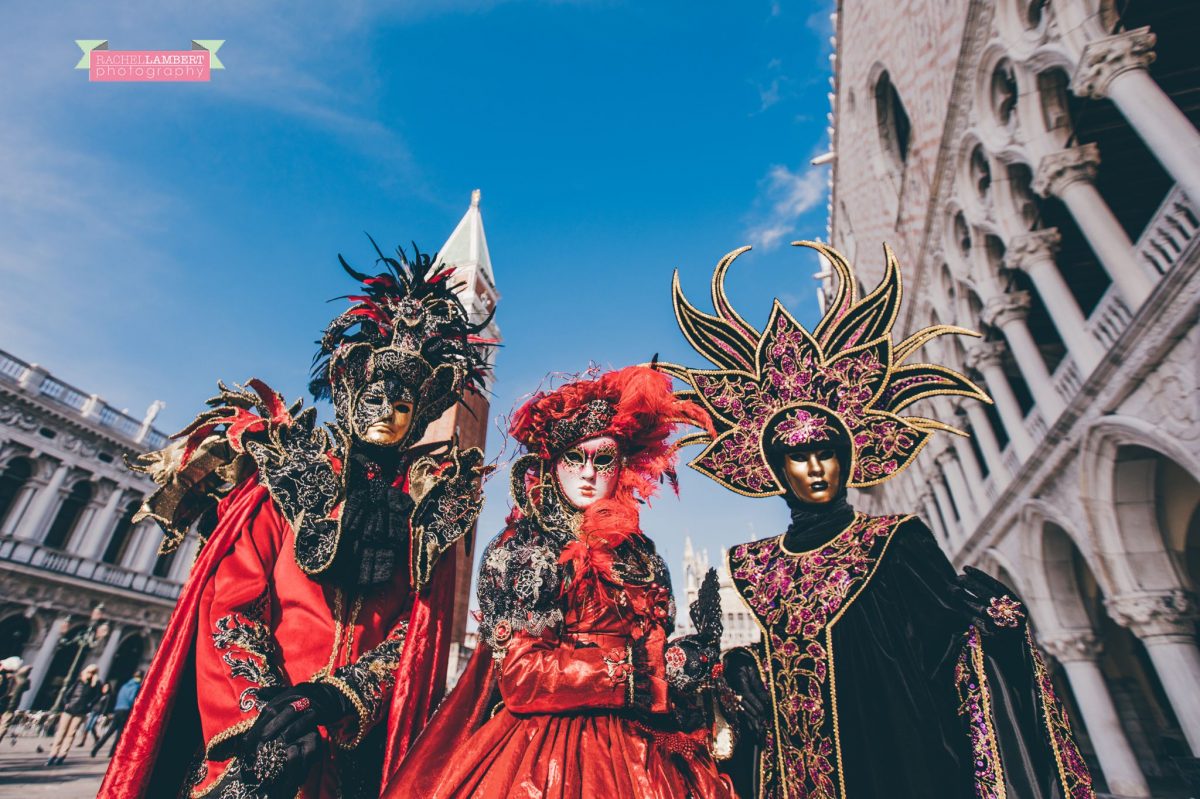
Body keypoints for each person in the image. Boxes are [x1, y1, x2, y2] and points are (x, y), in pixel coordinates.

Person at [663, 242, 1096, 798]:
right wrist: (744, 666)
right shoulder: (753, 565)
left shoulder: (896, 541)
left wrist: (995, 630)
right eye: (797, 454)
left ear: (851, 454)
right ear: (773, 467)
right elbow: (794, 657)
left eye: (827, 448)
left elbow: (948, 658)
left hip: (904, 765)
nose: (816, 466)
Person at [98, 241, 494, 799]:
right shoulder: (285, 483)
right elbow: (230, 607)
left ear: (419, 415)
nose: (387, 413)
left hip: (354, 746)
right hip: (256, 737)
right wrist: (266, 711)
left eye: (403, 405)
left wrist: (341, 696)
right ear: (352, 397)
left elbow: (416, 630)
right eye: (376, 398)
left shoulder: (429, 512)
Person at [383, 366, 736, 799]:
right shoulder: (525, 549)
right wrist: (636, 670)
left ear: (621, 465)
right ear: (552, 464)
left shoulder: (642, 556)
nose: (588, 473)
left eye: (602, 459)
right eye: (574, 457)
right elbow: (521, 675)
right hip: (546, 753)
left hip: (648, 750)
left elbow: (659, 645)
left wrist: (686, 665)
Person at [46, 663, 101, 766]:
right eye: (89, 671)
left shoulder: (96, 684)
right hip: (69, 709)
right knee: (61, 732)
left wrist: (89, 706)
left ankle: (62, 755)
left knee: (71, 733)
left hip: (81, 712)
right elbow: (68, 693)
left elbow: (97, 696)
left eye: (93, 672)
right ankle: (52, 755)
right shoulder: (79, 681)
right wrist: (66, 703)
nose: (90, 674)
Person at [92, 671, 141, 758]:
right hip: (126, 710)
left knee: (109, 731)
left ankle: (95, 749)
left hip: (118, 709)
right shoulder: (137, 686)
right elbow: (132, 699)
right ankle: (111, 753)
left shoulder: (124, 686)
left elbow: (119, 697)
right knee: (119, 733)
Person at [0, 659, 29, 744]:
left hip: (5, 704)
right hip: (11, 706)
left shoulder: (4, 677)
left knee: (4, 725)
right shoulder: (22, 680)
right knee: (4, 725)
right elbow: (27, 687)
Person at [77, 680, 113, 748]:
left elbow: (106, 706)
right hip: (93, 711)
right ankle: (83, 741)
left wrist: (103, 714)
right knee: (87, 727)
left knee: (92, 726)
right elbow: (94, 702)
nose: (105, 689)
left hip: (98, 713)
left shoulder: (108, 696)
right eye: (104, 687)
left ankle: (96, 738)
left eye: (107, 688)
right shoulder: (99, 695)